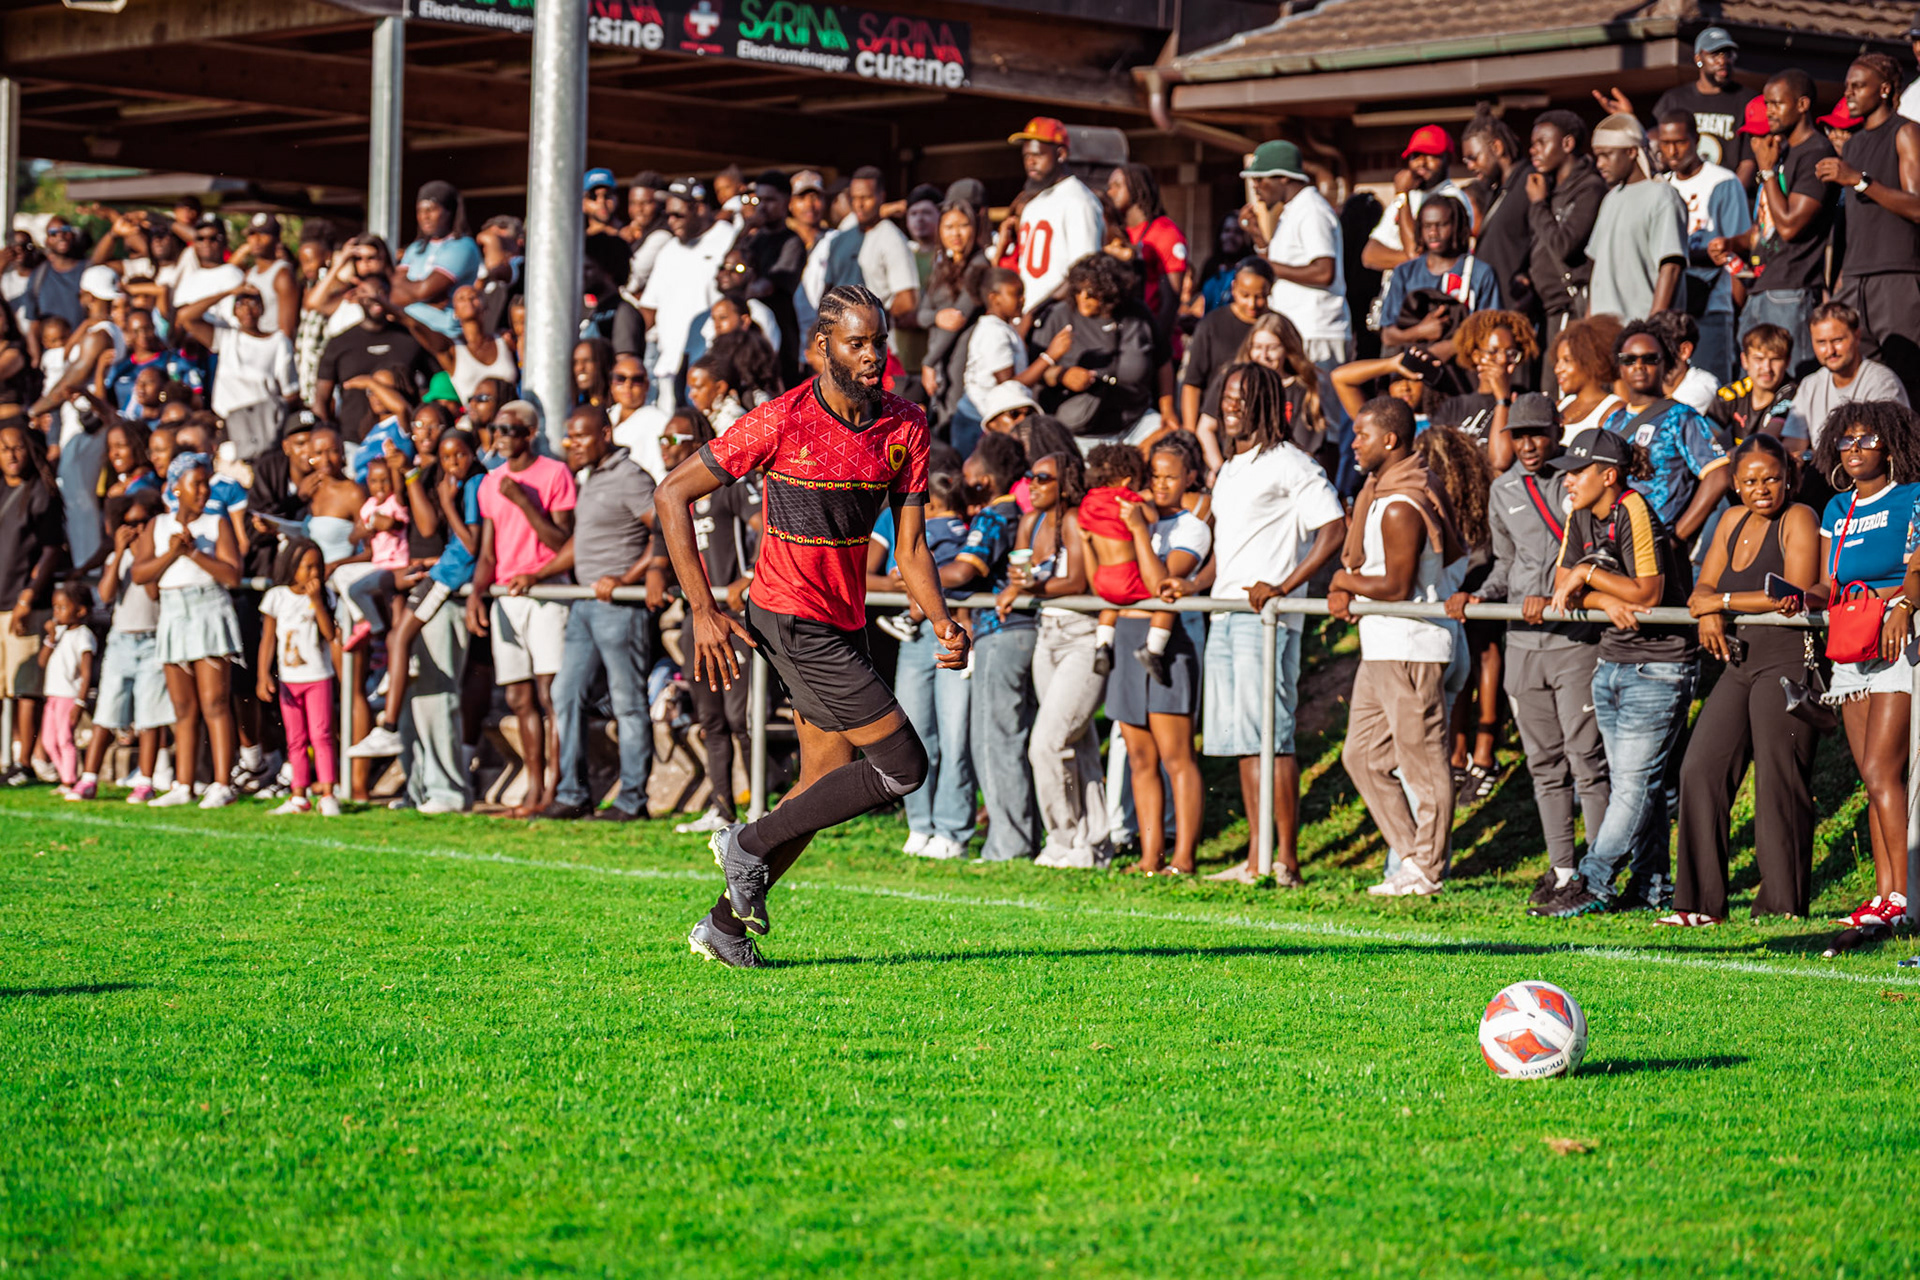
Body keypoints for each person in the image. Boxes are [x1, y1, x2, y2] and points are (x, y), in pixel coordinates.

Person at [654, 285, 963, 968]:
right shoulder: (779, 420)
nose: (874, 355)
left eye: (879, 340)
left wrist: (941, 618)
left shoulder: (906, 424)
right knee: (904, 765)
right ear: (821, 347)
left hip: (839, 619)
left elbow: (910, 548)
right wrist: (704, 608)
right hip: (790, 614)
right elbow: (671, 494)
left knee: (822, 783)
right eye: (857, 342)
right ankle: (745, 845)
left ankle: (725, 924)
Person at [1537, 428, 1696, 917]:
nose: (1567, 481)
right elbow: (1559, 585)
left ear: (1609, 475)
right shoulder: (1580, 514)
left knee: (1630, 784)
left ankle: (1594, 881)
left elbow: (1648, 594)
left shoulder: (1633, 510)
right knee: (1640, 786)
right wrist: (1601, 593)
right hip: (1612, 661)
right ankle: (1650, 885)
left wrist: (1589, 576)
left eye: (1577, 472)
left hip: (1659, 665)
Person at [1197, 362, 1346, 885]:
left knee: (1273, 736)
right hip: (1225, 612)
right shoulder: (1232, 468)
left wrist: (1283, 585)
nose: (1230, 405)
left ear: (1263, 400)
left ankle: (1287, 861)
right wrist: (1193, 584)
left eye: (1240, 396)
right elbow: (1228, 549)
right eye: (1225, 395)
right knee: (1244, 738)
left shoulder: (1291, 464)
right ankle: (1257, 858)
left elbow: (1333, 529)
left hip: (1267, 619)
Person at [1464, 393, 1610, 906]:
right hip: (1523, 643)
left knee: (1586, 759)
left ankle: (1599, 873)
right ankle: (1563, 871)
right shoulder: (1502, 489)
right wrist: (1479, 594)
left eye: (1537, 433)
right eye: (1518, 435)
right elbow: (1507, 564)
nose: (1528, 445)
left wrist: (1565, 593)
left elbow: (1601, 551)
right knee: (1543, 764)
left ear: (1558, 429)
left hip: (1574, 639)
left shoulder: (1580, 480)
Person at [1669, 434, 1821, 925]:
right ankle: (1698, 905)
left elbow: (1790, 595)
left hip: (1786, 661)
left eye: (1773, 478)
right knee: (1700, 767)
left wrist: (1722, 605)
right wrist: (1710, 614)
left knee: (1778, 780)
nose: (1763, 488)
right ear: (1734, 484)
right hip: (1740, 660)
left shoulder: (1799, 518)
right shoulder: (1731, 520)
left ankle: (1782, 903)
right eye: (1752, 480)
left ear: (1788, 478)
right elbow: (1703, 589)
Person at [1332, 397, 1467, 897]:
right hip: (1382, 643)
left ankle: (1427, 869)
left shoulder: (1400, 503)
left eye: (1361, 435)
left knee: (1423, 764)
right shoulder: (1386, 489)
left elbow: (1396, 585)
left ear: (1390, 440)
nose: (1353, 444)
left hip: (1412, 645)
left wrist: (1344, 579)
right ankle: (1412, 856)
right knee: (1362, 756)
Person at [510, 406, 659, 822]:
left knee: (628, 703)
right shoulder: (592, 478)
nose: (570, 444)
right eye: (568, 437)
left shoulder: (631, 478)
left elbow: (663, 531)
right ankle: (572, 795)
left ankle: (632, 801)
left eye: (579, 437)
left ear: (605, 434)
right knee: (564, 693)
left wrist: (626, 578)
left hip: (618, 608)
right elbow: (581, 541)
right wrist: (537, 573)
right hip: (583, 605)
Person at [1814, 401, 1920, 930]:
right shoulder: (1838, 509)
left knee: (1884, 771)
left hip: (1897, 641)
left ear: (1891, 445)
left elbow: (1918, 569)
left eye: (1867, 441)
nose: (1854, 450)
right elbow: (1825, 584)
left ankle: (1903, 896)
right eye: (1846, 442)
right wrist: (1795, 598)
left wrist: (1902, 603)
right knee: (1870, 777)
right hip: (1850, 647)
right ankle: (1883, 899)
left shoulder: (1912, 498)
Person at [996, 446, 1107, 868]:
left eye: (1043, 478)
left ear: (1067, 486)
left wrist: (1028, 589)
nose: (1033, 485)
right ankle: (1093, 842)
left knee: (1048, 741)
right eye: (1030, 476)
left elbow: (1079, 580)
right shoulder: (1030, 520)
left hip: (1082, 633)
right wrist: (1018, 581)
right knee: (1077, 744)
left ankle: (1063, 841)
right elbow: (1020, 575)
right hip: (1047, 635)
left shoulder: (1076, 520)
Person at [465, 403, 577, 820]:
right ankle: (531, 788)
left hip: (547, 592)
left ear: (530, 433)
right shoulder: (490, 482)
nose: (501, 436)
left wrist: (526, 501)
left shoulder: (554, 473)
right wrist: (478, 593)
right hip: (506, 597)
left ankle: (554, 789)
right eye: (496, 429)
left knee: (551, 696)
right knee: (517, 695)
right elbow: (488, 552)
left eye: (510, 429)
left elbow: (563, 540)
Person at [1105, 438, 1210, 877]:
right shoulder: (1139, 516)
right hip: (1128, 633)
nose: (1161, 485)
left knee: (1176, 757)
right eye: (1155, 476)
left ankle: (1183, 858)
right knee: (1139, 758)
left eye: (1171, 476)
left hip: (1172, 642)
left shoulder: (1194, 527)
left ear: (1188, 478)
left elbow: (1160, 584)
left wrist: (1136, 533)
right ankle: (1151, 858)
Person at [660, 408, 758, 836]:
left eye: (673, 441)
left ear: (698, 440)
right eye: (661, 441)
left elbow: (767, 528)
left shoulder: (727, 485)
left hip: (733, 617)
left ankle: (762, 805)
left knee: (741, 718)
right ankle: (722, 808)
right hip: (696, 619)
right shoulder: (668, 494)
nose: (664, 449)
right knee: (711, 718)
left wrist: (751, 575)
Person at [942, 432, 1040, 862]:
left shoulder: (995, 516)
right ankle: (1018, 835)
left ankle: (1009, 844)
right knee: (1008, 737)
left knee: (993, 739)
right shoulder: (1017, 511)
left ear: (983, 476)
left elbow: (965, 571)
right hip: (1013, 632)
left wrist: (913, 576)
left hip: (1001, 633)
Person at [132, 452, 245, 810]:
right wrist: (172, 554)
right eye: (196, 484)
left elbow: (232, 574)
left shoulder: (216, 523)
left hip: (208, 608)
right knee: (183, 706)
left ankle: (222, 782)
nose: (203, 491)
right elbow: (140, 573)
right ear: (176, 488)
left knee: (215, 701)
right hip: (173, 613)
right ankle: (184, 782)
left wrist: (194, 554)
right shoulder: (158, 526)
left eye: (205, 483)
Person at [1712, 71, 1840, 377]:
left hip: (1792, 291)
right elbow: (1767, 227)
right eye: (1766, 103)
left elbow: (1790, 226)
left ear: (1802, 104)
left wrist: (1767, 172)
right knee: (1753, 390)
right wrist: (1734, 243)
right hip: (1760, 286)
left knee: (1790, 387)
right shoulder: (1783, 154)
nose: (1769, 110)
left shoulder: (1816, 152)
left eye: (1776, 103)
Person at [1814, 54, 1920, 403]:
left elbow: (1917, 206)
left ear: (1886, 89)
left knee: (1907, 383)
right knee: (1862, 388)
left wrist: (1859, 181)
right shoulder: (1854, 143)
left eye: (1858, 86)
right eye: (1846, 87)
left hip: (1898, 277)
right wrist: (1839, 280)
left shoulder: (1906, 132)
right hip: (1856, 280)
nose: (1848, 94)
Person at [887, 445, 975, 860]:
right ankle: (920, 824)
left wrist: (917, 582)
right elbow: (897, 570)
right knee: (914, 734)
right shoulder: (911, 525)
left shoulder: (966, 528)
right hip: (917, 640)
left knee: (955, 736)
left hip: (953, 633)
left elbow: (960, 571)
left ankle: (954, 828)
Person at [1602, 321, 1730, 542]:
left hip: (1660, 545)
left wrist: (1676, 537)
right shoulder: (1613, 421)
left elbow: (1718, 475)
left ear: (1666, 363)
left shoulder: (1681, 416)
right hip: (1618, 543)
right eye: (1629, 359)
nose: (1639, 366)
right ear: (1619, 367)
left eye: (1650, 358)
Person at [80, 490, 170, 802]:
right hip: (121, 639)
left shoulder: (159, 555)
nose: (138, 528)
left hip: (152, 640)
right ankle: (88, 778)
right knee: (107, 710)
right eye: (130, 523)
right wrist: (118, 553)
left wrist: (148, 557)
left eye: (145, 521)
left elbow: (155, 594)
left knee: (149, 716)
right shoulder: (118, 557)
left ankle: (146, 780)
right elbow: (104, 595)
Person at [1239, 141, 1352, 377]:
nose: (1255, 187)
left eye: (1260, 179)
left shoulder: (1312, 211)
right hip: (1299, 330)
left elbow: (1324, 272)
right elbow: (1285, 263)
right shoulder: (1293, 210)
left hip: (1316, 331)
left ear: (1284, 178)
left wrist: (1267, 267)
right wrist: (1258, 238)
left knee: (1322, 412)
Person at [1655, 111, 1750, 383]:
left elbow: (1736, 248)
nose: (1672, 150)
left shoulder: (1723, 181)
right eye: (1665, 143)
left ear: (1696, 140)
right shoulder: (1662, 186)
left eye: (1680, 142)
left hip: (1712, 307)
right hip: (1672, 308)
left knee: (1711, 387)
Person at [1596, 26, 1758, 180]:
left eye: (1727, 54)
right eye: (1714, 54)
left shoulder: (1746, 99)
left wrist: (1731, 194)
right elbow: (1651, 145)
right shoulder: (1675, 99)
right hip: (1682, 191)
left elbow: (1748, 161)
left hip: (1726, 192)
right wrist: (1629, 119)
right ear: (1698, 59)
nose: (1722, 61)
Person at [1027, 254, 1156, 443]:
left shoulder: (1137, 313)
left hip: (1133, 424)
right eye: (1078, 290)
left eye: (1092, 292)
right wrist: (1063, 374)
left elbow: (1163, 360)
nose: (1083, 297)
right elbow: (1033, 374)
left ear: (1110, 292)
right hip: (1079, 432)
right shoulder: (1059, 316)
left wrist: (1169, 413)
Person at [257, 536, 342, 817]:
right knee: (296, 738)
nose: (314, 574)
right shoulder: (277, 597)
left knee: (322, 735)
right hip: (289, 680)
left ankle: (328, 792)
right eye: (308, 567)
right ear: (292, 566)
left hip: (318, 676)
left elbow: (330, 635)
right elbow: (268, 639)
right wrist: (263, 674)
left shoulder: (325, 596)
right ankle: (298, 794)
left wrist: (317, 601)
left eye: (318, 567)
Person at [0, 422, 65, 781]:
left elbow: (51, 549)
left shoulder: (42, 493)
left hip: (25, 602)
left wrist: (28, 596)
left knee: (26, 689)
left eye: (17, 447)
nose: (10, 454)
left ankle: (23, 762)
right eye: (4, 447)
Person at [639, 178, 736, 410]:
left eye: (677, 215)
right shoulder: (669, 250)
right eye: (668, 215)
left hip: (709, 372)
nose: (670, 221)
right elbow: (648, 307)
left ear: (700, 208)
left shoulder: (728, 239)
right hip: (667, 369)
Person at [1195, 314, 1329, 476]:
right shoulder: (1232, 380)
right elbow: (1206, 428)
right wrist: (1220, 469)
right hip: (1231, 469)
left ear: (1287, 348)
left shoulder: (1302, 391)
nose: (1263, 355)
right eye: (1257, 347)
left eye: (1272, 348)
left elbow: (1304, 451)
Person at [1526, 112, 1610, 372]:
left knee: (1561, 390)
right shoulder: (1548, 189)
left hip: (1569, 306)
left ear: (1567, 144)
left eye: (1542, 142)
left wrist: (1539, 205)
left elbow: (1565, 245)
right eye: (1533, 143)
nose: (1533, 150)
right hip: (1546, 308)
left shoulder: (1590, 187)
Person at [178, 283, 297, 461]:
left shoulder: (277, 342)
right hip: (227, 425)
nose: (247, 310)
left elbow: (291, 392)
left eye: (253, 304)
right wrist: (229, 291)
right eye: (240, 305)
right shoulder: (227, 337)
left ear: (262, 309)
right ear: (234, 311)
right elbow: (186, 316)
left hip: (262, 423)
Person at [1587, 113, 1688, 321]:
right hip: (1603, 330)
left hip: (1639, 331)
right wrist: (1588, 325)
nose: (1599, 164)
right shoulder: (1610, 199)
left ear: (1632, 152)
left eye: (1606, 155)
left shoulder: (1662, 195)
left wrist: (1653, 327)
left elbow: (1671, 266)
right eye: (1597, 156)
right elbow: (1599, 271)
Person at [313, 276, 437, 442]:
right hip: (354, 440)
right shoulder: (339, 342)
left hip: (403, 437)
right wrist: (328, 436)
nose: (374, 297)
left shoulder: (409, 338)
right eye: (366, 293)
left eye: (380, 292)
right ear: (356, 297)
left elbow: (432, 384)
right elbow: (321, 398)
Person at [1006, 117, 1105, 316]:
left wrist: (1038, 311)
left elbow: (1084, 273)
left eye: (1037, 155)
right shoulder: (1033, 203)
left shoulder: (1079, 201)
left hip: (1058, 315)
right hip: (1029, 314)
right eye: (1026, 156)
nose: (1030, 162)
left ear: (1060, 154)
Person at [1375, 195, 1499, 351]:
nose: (1433, 233)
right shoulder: (1404, 272)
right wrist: (1420, 331)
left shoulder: (1479, 272)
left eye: (1441, 225)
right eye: (1427, 226)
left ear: (1457, 226)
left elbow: (1489, 329)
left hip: (1463, 369)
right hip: (1411, 367)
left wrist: (1449, 347)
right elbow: (1388, 335)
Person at [1785, 302, 1910, 450]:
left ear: (1857, 336)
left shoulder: (1882, 383)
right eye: (1821, 342)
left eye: (1837, 340)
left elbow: (1880, 449)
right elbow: (1793, 446)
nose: (1830, 350)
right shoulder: (1810, 385)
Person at [1181, 258, 1273, 436]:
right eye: (1245, 295)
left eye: (1260, 296)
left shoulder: (1275, 327)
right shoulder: (1212, 325)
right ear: (1233, 288)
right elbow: (1192, 384)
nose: (1252, 304)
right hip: (1216, 428)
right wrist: (1190, 433)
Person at [1363, 125, 1472, 271]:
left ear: (1449, 158)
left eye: (1431, 155)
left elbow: (1414, 252)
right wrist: (1419, 258)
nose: (1421, 162)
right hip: (1397, 291)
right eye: (1416, 156)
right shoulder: (1408, 196)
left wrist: (1402, 195)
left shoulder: (1452, 199)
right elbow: (1370, 255)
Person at [1461, 104, 1536, 316]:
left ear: (1496, 147)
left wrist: (1527, 277)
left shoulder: (1529, 183)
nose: (1469, 165)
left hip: (1519, 312)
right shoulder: (1497, 190)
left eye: (1473, 157)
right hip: (1494, 309)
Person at [392, 181, 480, 341]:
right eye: (420, 210)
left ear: (449, 211)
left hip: (444, 335)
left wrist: (415, 290)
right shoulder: (416, 248)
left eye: (431, 209)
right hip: (410, 330)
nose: (424, 216)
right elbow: (392, 292)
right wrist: (427, 298)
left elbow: (424, 291)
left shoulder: (462, 246)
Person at [1109, 163, 1187, 341]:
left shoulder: (1166, 233)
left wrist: (1156, 345)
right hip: (1125, 336)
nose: (1110, 192)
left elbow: (1171, 299)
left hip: (1153, 339)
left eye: (1117, 186)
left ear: (1137, 188)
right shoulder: (1119, 233)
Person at [34, 581, 93, 799]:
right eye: (55, 607)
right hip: (52, 695)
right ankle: (65, 777)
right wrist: (50, 638)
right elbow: (42, 662)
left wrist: (80, 702)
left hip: (69, 697)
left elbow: (86, 673)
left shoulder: (84, 636)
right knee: (49, 741)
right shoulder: (57, 633)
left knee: (64, 740)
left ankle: (70, 780)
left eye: (62, 607)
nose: (56, 612)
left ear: (80, 610)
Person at [1708, 322, 1799, 453]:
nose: (1767, 368)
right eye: (1759, 359)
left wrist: (1729, 458)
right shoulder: (1732, 392)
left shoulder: (1792, 393)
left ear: (1787, 362)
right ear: (1744, 360)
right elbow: (1704, 436)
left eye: (1775, 359)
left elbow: (1766, 438)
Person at [1551, 315, 1627, 441]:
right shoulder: (1559, 406)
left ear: (1590, 360)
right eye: (1557, 361)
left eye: (1567, 361)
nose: (1558, 369)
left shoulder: (1613, 411)